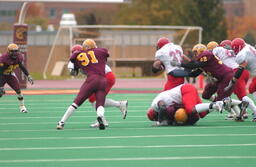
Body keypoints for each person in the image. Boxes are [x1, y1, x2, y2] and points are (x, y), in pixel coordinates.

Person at [67, 44, 128, 128]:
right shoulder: (86, 55)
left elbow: (73, 73)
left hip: (105, 76)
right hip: (105, 76)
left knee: (94, 99)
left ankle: (113, 110)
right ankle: (106, 115)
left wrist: (72, 66)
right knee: (94, 99)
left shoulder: (83, 57)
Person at [56, 39, 109, 130]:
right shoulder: (101, 51)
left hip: (91, 80)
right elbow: (105, 53)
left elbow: (73, 65)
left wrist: (77, 53)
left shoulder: (78, 55)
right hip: (103, 80)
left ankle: (62, 122)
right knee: (100, 104)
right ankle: (100, 116)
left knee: (76, 103)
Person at [146, 84, 234, 126]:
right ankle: (224, 102)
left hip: (185, 90)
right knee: (201, 114)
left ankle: (215, 104)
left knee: (190, 109)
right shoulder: (159, 102)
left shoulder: (155, 104)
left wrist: (160, 122)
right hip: (186, 91)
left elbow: (162, 107)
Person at [212, 39, 256, 120]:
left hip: (238, 71)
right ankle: (242, 113)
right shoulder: (246, 47)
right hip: (245, 72)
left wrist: (233, 80)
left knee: (241, 95)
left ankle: (252, 111)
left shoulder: (220, 51)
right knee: (242, 92)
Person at [225, 38, 256, 121]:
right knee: (250, 89)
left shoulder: (241, 55)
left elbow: (240, 69)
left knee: (247, 92)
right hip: (252, 74)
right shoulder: (248, 47)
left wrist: (233, 80)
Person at [0, 43, 34, 113]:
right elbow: (0, 73)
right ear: (8, 51)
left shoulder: (19, 57)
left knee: (18, 90)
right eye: (12, 51)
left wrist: (28, 75)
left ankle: (22, 107)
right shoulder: (4, 59)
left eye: (16, 51)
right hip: (1, 75)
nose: (14, 53)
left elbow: (21, 66)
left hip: (10, 75)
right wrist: (1, 86)